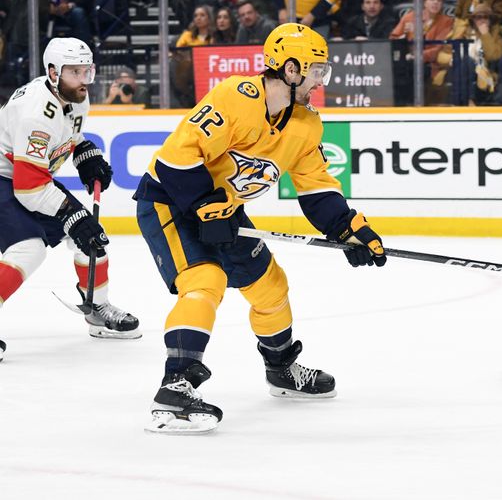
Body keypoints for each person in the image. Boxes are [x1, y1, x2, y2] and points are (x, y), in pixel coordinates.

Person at [134, 23, 386, 433]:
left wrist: (348, 228)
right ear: (290, 68)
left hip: (223, 212)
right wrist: (202, 205)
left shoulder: (306, 124)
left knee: (270, 285)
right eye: (316, 70)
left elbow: (317, 188)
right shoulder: (236, 96)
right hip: (171, 201)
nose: (321, 81)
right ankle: (176, 386)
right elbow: (175, 158)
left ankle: (281, 369)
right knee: (205, 280)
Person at [0, 38, 141, 361]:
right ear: (52, 72)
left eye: (87, 71)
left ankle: (98, 309)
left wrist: (84, 153)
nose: (84, 79)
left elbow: (68, 135)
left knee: (91, 239)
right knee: (29, 249)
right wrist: (71, 214)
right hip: (7, 179)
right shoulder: (35, 113)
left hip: (26, 176)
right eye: (75, 72)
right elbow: (28, 187)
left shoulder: (74, 96)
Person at [389, 0, 453, 104]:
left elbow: (438, 48)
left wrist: (418, 56)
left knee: (418, 69)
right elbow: (393, 39)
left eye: (439, 0)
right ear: (425, 2)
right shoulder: (410, 17)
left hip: (430, 63)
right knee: (399, 70)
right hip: (406, 61)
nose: (435, 3)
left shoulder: (447, 21)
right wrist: (405, 34)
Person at [445, 3, 502, 105]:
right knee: (464, 62)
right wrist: (452, 59)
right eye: (478, 17)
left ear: (490, 20)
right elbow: (441, 54)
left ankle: (466, 100)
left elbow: (493, 56)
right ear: (473, 20)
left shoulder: (496, 36)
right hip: (455, 69)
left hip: (481, 73)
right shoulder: (462, 34)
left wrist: (485, 35)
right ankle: (466, 101)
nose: (482, 20)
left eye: (485, 17)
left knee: (468, 62)